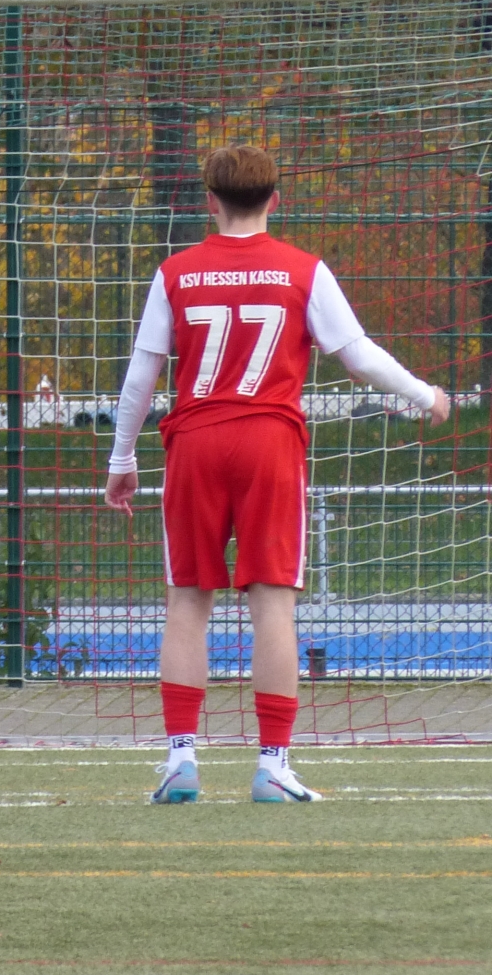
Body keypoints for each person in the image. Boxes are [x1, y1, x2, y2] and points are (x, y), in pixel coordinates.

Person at [104, 145, 449, 804]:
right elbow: (357, 356)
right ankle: (272, 766)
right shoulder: (302, 269)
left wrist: (122, 459)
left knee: (187, 601)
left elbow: (142, 374)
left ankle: (181, 759)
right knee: (272, 605)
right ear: (275, 200)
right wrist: (422, 392)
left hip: (196, 442)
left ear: (210, 200)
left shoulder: (175, 272)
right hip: (269, 442)